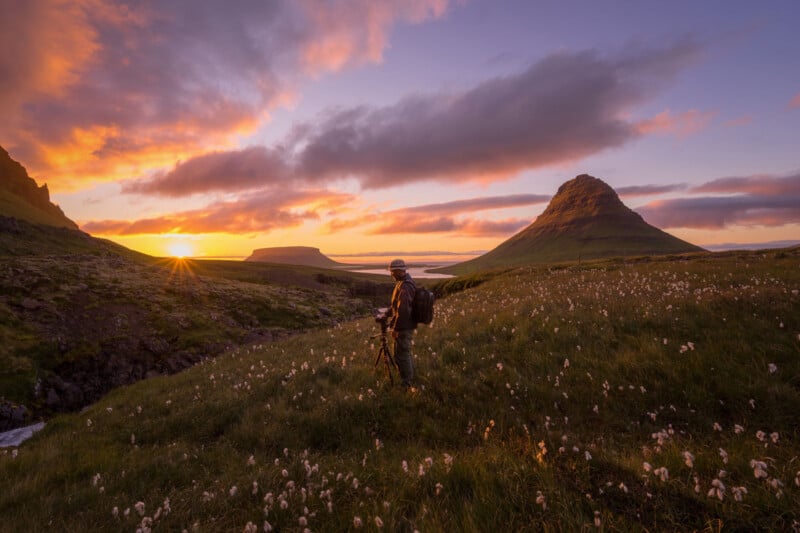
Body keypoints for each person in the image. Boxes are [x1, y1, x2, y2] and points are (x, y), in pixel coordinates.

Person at [387, 258, 417, 392]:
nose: (391, 274)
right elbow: (396, 306)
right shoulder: (402, 283)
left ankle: (407, 384)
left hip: (404, 327)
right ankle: (406, 379)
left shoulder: (406, 286)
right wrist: (387, 313)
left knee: (403, 354)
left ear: (399, 271)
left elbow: (403, 310)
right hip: (404, 325)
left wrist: (396, 329)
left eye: (392, 272)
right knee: (402, 354)